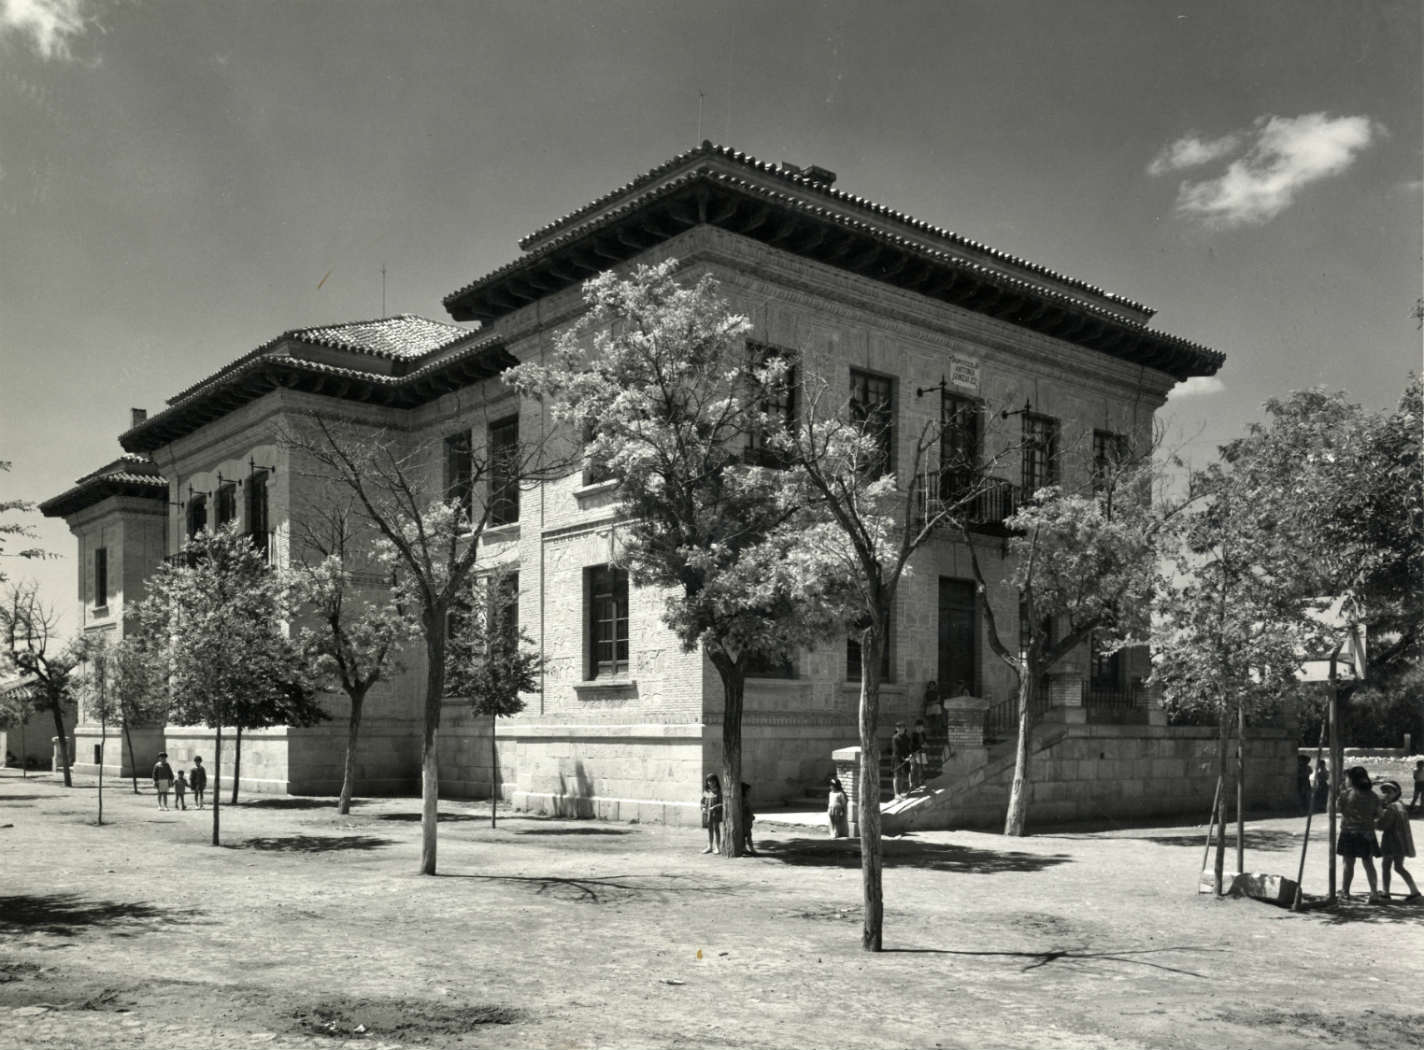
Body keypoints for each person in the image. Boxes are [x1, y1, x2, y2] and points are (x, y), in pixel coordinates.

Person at [1336, 765, 1383, 903]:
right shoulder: (1373, 795)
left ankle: (1345, 892)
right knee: (1368, 863)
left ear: (1351, 780)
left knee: (1348, 863)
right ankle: (1374, 893)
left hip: (1349, 833)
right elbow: (1379, 814)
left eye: (1347, 778)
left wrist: (1338, 795)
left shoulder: (1346, 794)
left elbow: (1336, 809)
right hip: (1367, 833)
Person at [1376, 780, 1421, 902]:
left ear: (1397, 793)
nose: (1386, 794)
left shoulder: (1392, 807)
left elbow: (1383, 825)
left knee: (1386, 866)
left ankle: (1385, 892)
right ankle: (1415, 891)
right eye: (1385, 792)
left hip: (1392, 842)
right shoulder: (1400, 805)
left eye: (1389, 791)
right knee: (1399, 867)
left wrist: (1376, 818)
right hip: (1401, 842)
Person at [700, 774, 723, 855]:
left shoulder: (719, 792)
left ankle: (718, 847)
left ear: (716, 781)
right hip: (708, 815)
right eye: (709, 781)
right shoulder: (706, 792)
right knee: (709, 830)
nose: (711, 783)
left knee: (716, 829)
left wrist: (714, 807)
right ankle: (709, 846)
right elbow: (702, 802)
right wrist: (703, 808)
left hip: (716, 814)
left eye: (713, 781)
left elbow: (722, 803)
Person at [890, 722, 912, 799]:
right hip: (897, 759)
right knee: (897, 776)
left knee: (904, 775)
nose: (902, 729)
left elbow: (909, 747)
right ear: (897, 729)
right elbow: (896, 750)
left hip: (906, 758)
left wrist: (910, 754)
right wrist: (903, 758)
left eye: (903, 728)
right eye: (900, 728)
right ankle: (896, 794)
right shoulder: (895, 738)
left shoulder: (906, 737)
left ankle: (902, 791)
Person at [910, 718, 928, 790]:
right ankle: (914, 784)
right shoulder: (913, 735)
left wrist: (925, 745)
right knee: (915, 769)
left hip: (922, 753)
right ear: (916, 727)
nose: (920, 728)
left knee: (922, 768)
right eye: (918, 727)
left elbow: (925, 741)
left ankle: (921, 782)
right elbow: (912, 745)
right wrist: (920, 746)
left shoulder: (923, 734)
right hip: (915, 753)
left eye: (921, 727)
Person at [740, 782, 756, 855]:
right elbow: (744, 809)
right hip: (744, 820)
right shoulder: (743, 800)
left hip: (748, 819)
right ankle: (749, 847)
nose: (749, 792)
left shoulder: (746, 799)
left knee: (748, 834)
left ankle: (746, 847)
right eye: (748, 791)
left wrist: (752, 815)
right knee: (747, 835)